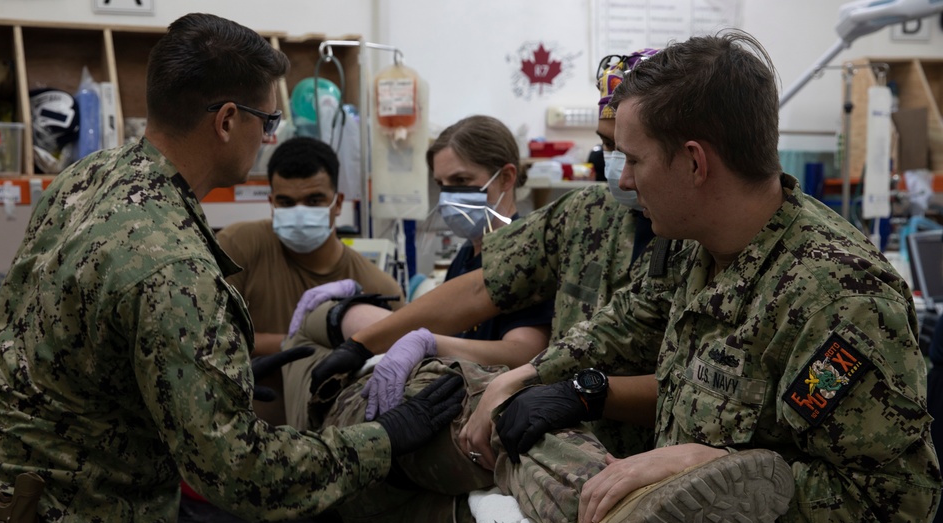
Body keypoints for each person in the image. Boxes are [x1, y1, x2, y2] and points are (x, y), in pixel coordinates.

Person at [0, 14, 465, 523]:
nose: (269, 138)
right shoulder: (178, 268)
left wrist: (202, 373)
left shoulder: (91, 178)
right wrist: (382, 440)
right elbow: (238, 472)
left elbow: (70, 331)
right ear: (227, 120)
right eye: (268, 123)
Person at [490, 31, 941, 523]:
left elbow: (893, 510)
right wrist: (530, 374)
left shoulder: (838, 300)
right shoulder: (692, 244)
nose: (623, 180)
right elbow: (630, 318)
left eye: (635, 159)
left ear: (695, 162)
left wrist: (712, 468)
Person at [300, 56, 683, 458]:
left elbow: (686, 382)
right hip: (559, 436)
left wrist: (574, 390)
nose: (618, 171)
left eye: (629, 153)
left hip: (650, 455)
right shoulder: (585, 214)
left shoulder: (692, 242)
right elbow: (481, 288)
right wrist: (362, 343)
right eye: (606, 146)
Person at [283, 114, 555, 429]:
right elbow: (444, 320)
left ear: (506, 178)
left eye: (462, 181)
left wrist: (430, 344)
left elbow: (527, 353)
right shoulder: (470, 252)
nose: (449, 196)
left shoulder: (525, 254)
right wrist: (358, 296)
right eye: (442, 185)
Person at [216, 136, 404, 426]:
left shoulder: (378, 287)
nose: (300, 211)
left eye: (314, 200)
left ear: (337, 202)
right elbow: (206, 336)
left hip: (332, 443)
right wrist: (303, 343)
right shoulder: (239, 247)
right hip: (243, 434)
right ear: (271, 203)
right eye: (286, 202)